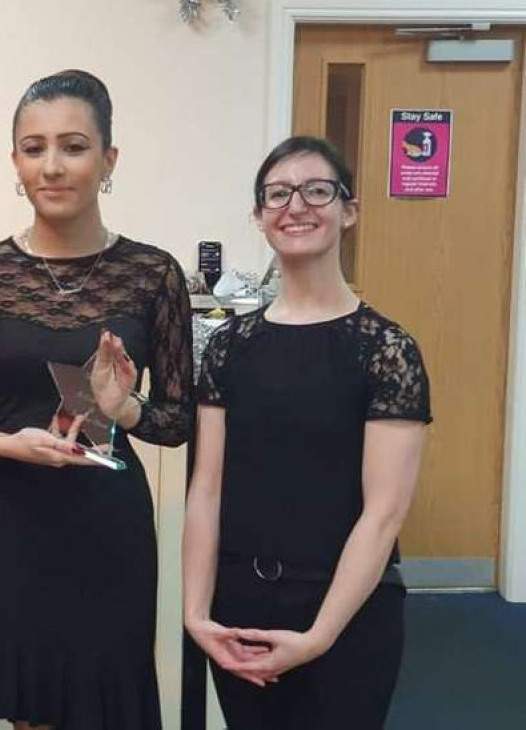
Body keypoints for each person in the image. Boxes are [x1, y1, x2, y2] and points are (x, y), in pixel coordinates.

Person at [0, 69, 194, 730]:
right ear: (16, 162)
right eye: (33, 148)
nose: (50, 166)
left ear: (108, 159)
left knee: (103, 705)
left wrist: (125, 408)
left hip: (105, 526)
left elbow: (175, 423)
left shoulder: (152, 275)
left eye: (73, 146)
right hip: (12, 523)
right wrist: (6, 443)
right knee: (30, 708)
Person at [182, 136, 431, 729]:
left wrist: (319, 637)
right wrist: (195, 615)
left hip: (348, 612)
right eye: (277, 194)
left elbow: (383, 515)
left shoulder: (387, 350)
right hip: (240, 606)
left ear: (349, 210)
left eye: (317, 190)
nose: (296, 205)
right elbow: (207, 490)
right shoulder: (228, 346)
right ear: (260, 217)